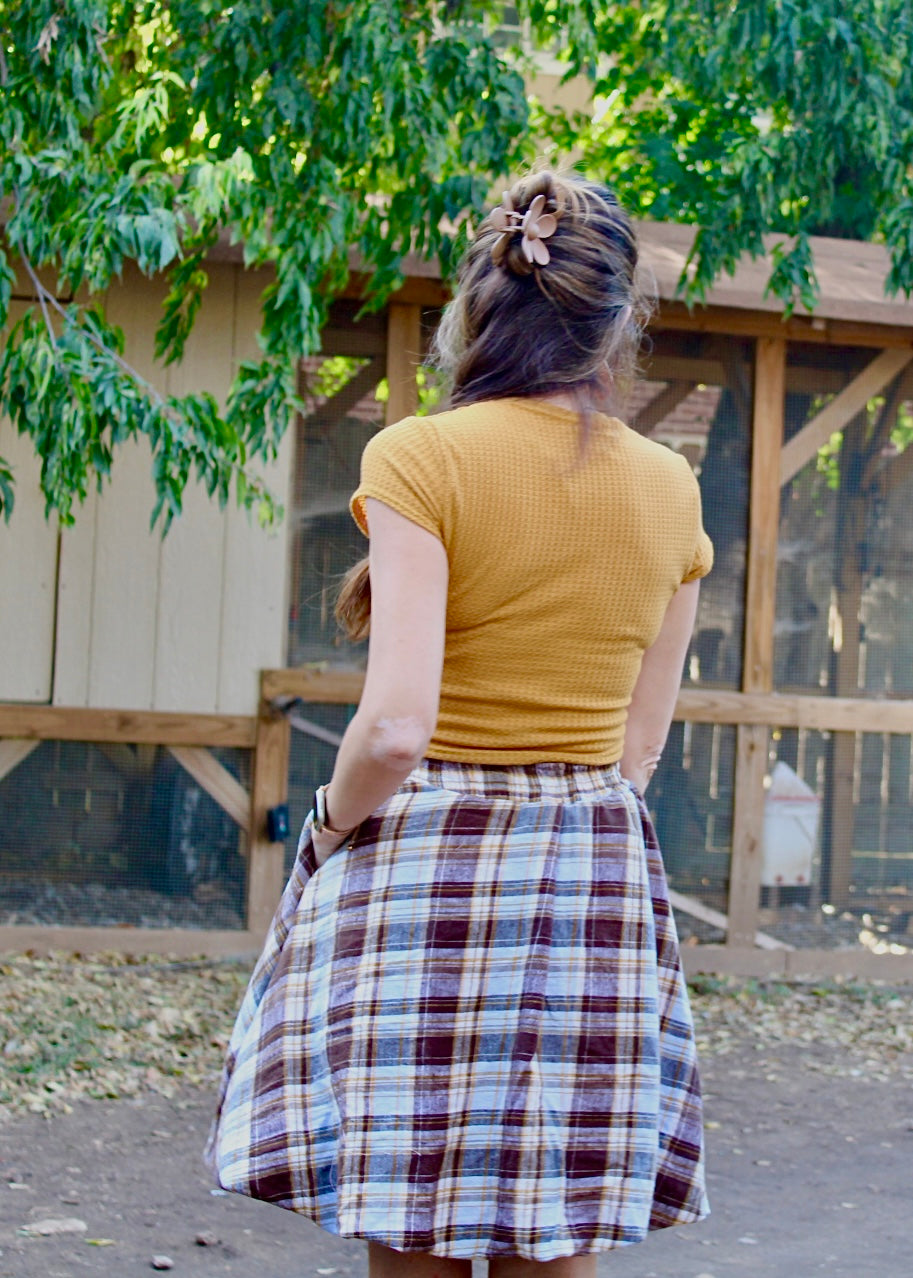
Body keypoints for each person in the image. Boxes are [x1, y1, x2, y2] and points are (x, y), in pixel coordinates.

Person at [208, 171, 713, 1277]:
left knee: (418, 1225)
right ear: (619, 320)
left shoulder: (420, 458)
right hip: (590, 869)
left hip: (429, 859)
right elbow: (640, 747)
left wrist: (329, 827)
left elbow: (393, 729)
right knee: (557, 1225)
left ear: (480, 306)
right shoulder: (671, 487)